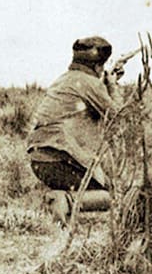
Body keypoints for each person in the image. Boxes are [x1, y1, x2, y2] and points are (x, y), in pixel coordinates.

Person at [26, 36, 122, 224]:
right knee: (113, 196)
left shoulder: (63, 80)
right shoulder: (90, 83)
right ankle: (65, 200)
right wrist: (112, 85)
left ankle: (60, 200)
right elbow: (118, 116)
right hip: (59, 160)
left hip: (39, 161)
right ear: (97, 67)